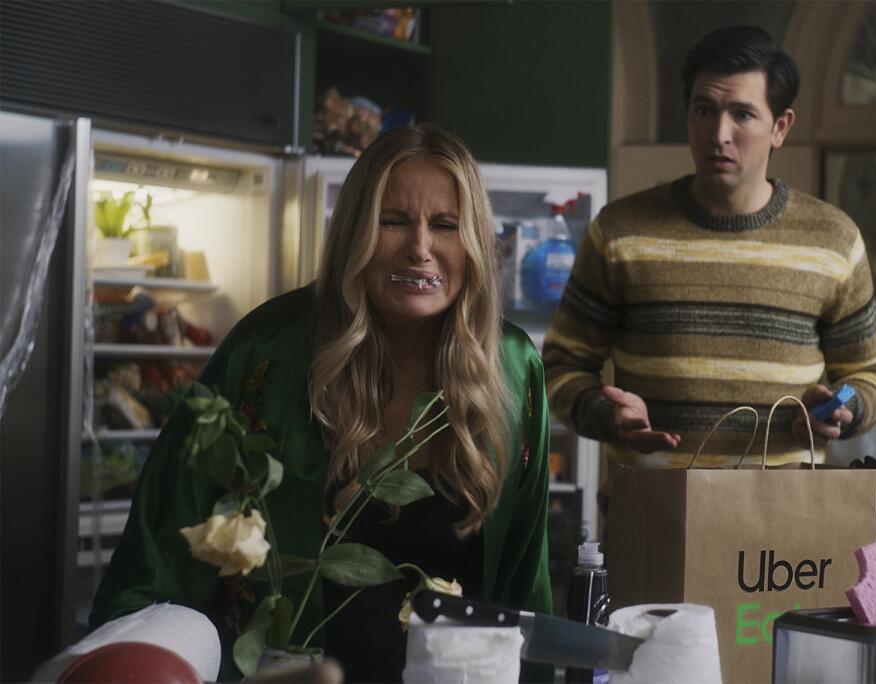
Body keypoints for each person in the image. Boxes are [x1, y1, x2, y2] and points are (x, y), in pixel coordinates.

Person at [90, 124, 553, 682]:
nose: (421, 247)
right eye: (393, 220)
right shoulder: (268, 348)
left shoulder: (512, 366)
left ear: (474, 241)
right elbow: (164, 540)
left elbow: (526, 575)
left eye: (446, 226)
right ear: (355, 230)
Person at [543, 26, 876, 473]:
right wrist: (604, 415)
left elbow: (875, 376)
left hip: (782, 522)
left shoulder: (834, 239)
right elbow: (559, 366)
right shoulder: (620, 231)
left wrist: (847, 412)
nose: (719, 133)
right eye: (704, 110)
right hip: (651, 518)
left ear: (780, 127)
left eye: (742, 114)